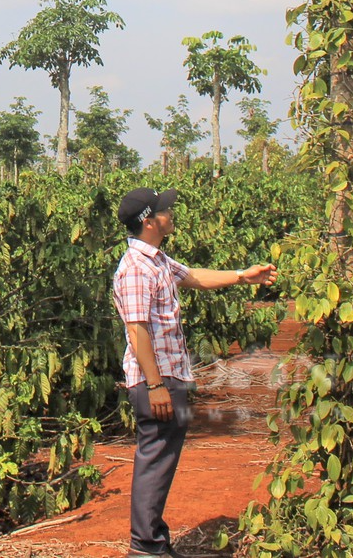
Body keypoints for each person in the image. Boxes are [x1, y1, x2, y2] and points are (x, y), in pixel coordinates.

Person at [112, 185, 277, 558]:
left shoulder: (157, 260)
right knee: (155, 457)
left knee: (162, 458)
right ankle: (145, 548)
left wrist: (242, 276)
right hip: (157, 381)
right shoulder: (136, 268)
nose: (171, 214)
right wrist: (155, 386)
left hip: (171, 377)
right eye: (164, 210)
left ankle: (154, 541)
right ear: (149, 221)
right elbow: (136, 330)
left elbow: (192, 276)